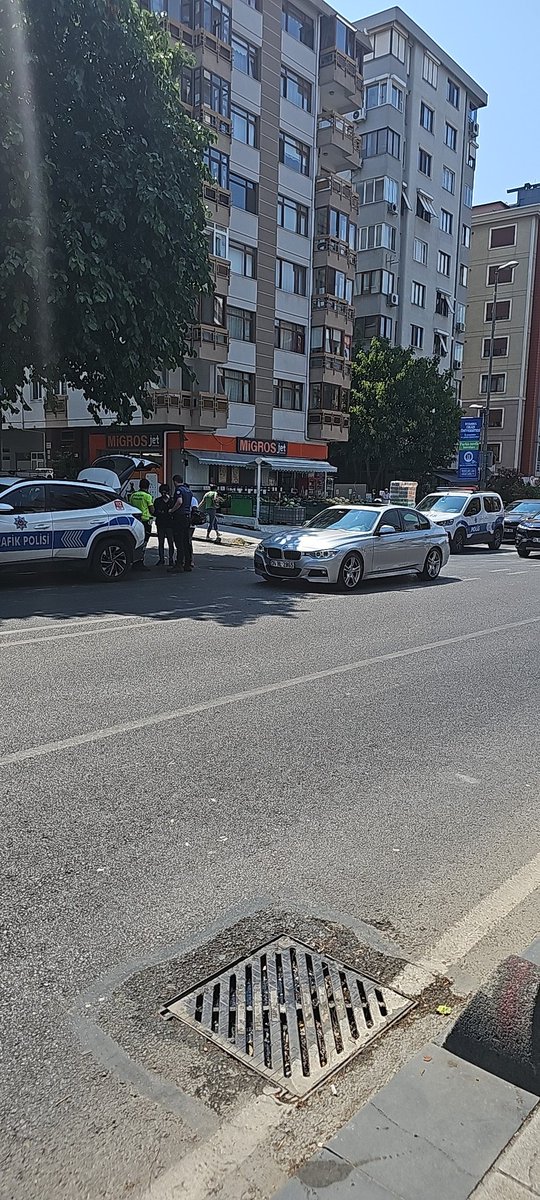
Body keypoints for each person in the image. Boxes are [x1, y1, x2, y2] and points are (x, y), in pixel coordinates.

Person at [168, 474, 194, 572]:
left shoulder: (179, 490)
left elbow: (179, 501)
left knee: (179, 541)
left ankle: (179, 564)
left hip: (179, 517)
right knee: (186, 541)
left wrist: (171, 510)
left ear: (175, 481)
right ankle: (187, 564)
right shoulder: (188, 490)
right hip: (187, 517)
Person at [128, 478, 154, 555]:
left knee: (136, 540)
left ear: (139, 486)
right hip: (145, 520)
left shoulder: (133, 495)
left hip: (135, 520)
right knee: (144, 541)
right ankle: (141, 557)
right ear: (148, 487)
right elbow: (152, 510)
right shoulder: (147, 496)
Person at [153, 483, 174, 568]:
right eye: (162, 492)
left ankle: (171, 559)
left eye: (165, 492)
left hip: (170, 524)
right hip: (160, 524)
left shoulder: (172, 501)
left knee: (170, 542)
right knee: (160, 542)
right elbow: (154, 512)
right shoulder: (157, 501)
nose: (163, 494)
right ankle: (161, 559)